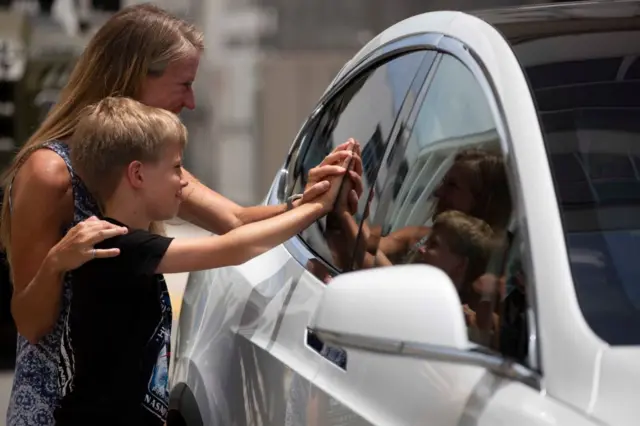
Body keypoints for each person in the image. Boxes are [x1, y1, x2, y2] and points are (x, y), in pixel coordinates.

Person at [2, 4, 362, 426]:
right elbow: (28, 322)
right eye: (184, 84)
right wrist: (57, 263)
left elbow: (236, 221)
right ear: (136, 77)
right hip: (61, 408)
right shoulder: (51, 174)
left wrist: (309, 199)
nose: (190, 101)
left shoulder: (145, 161)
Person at [53, 96, 346, 426]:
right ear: (137, 174)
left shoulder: (118, 242)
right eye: (176, 168)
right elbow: (233, 248)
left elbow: (236, 230)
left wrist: (301, 204)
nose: (182, 182)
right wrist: (317, 209)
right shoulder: (119, 248)